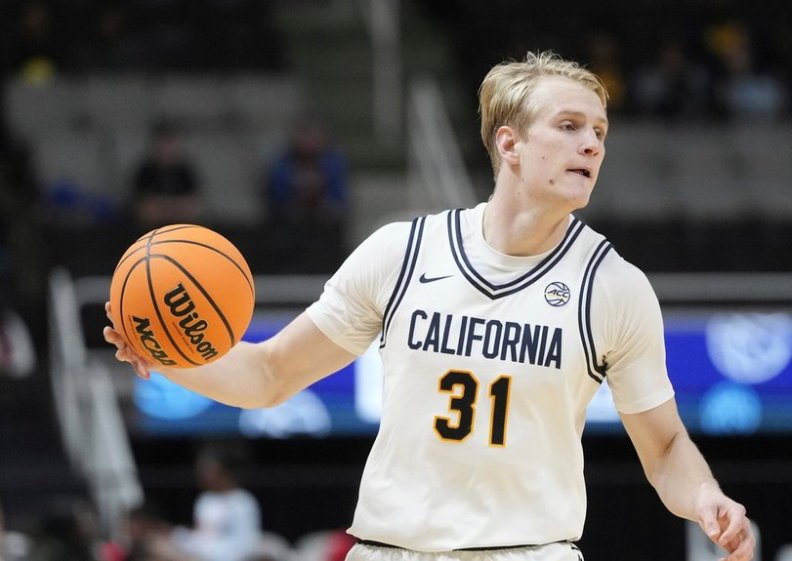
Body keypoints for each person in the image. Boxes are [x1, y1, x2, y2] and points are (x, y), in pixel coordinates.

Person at [104, 51, 755, 561]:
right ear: (509, 144)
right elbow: (270, 374)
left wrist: (706, 496)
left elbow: (665, 445)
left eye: (599, 131)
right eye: (569, 126)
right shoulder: (402, 251)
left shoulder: (613, 286)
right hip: (392, 548)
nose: (592, 144)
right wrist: (168, 355)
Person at [170, 446, 261, 561]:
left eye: (208, 471)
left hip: (230, 556)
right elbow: (202, 536)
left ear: (223, 472)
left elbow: (246, 543)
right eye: (201, 472)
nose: (204, 477)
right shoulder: (205, 500)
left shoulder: (243, 501)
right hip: (200, 553)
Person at [266, 116, 350, 225]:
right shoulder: (283, 160)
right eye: (305, 136)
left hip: (325, 216)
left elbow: (339, 195)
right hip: (289, 214)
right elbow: (277, 192)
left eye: (312, 137)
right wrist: (296, 185)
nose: (308, 141)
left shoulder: (333, 160)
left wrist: (319, 186)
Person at [129, 119, 204, 227]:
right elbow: (141, 203)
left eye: (171, 143)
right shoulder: (145, 170)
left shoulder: (185, 170)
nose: (167, 149)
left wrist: (174, 206)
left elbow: (194, 201)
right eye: (164, 143)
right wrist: (163, 206)